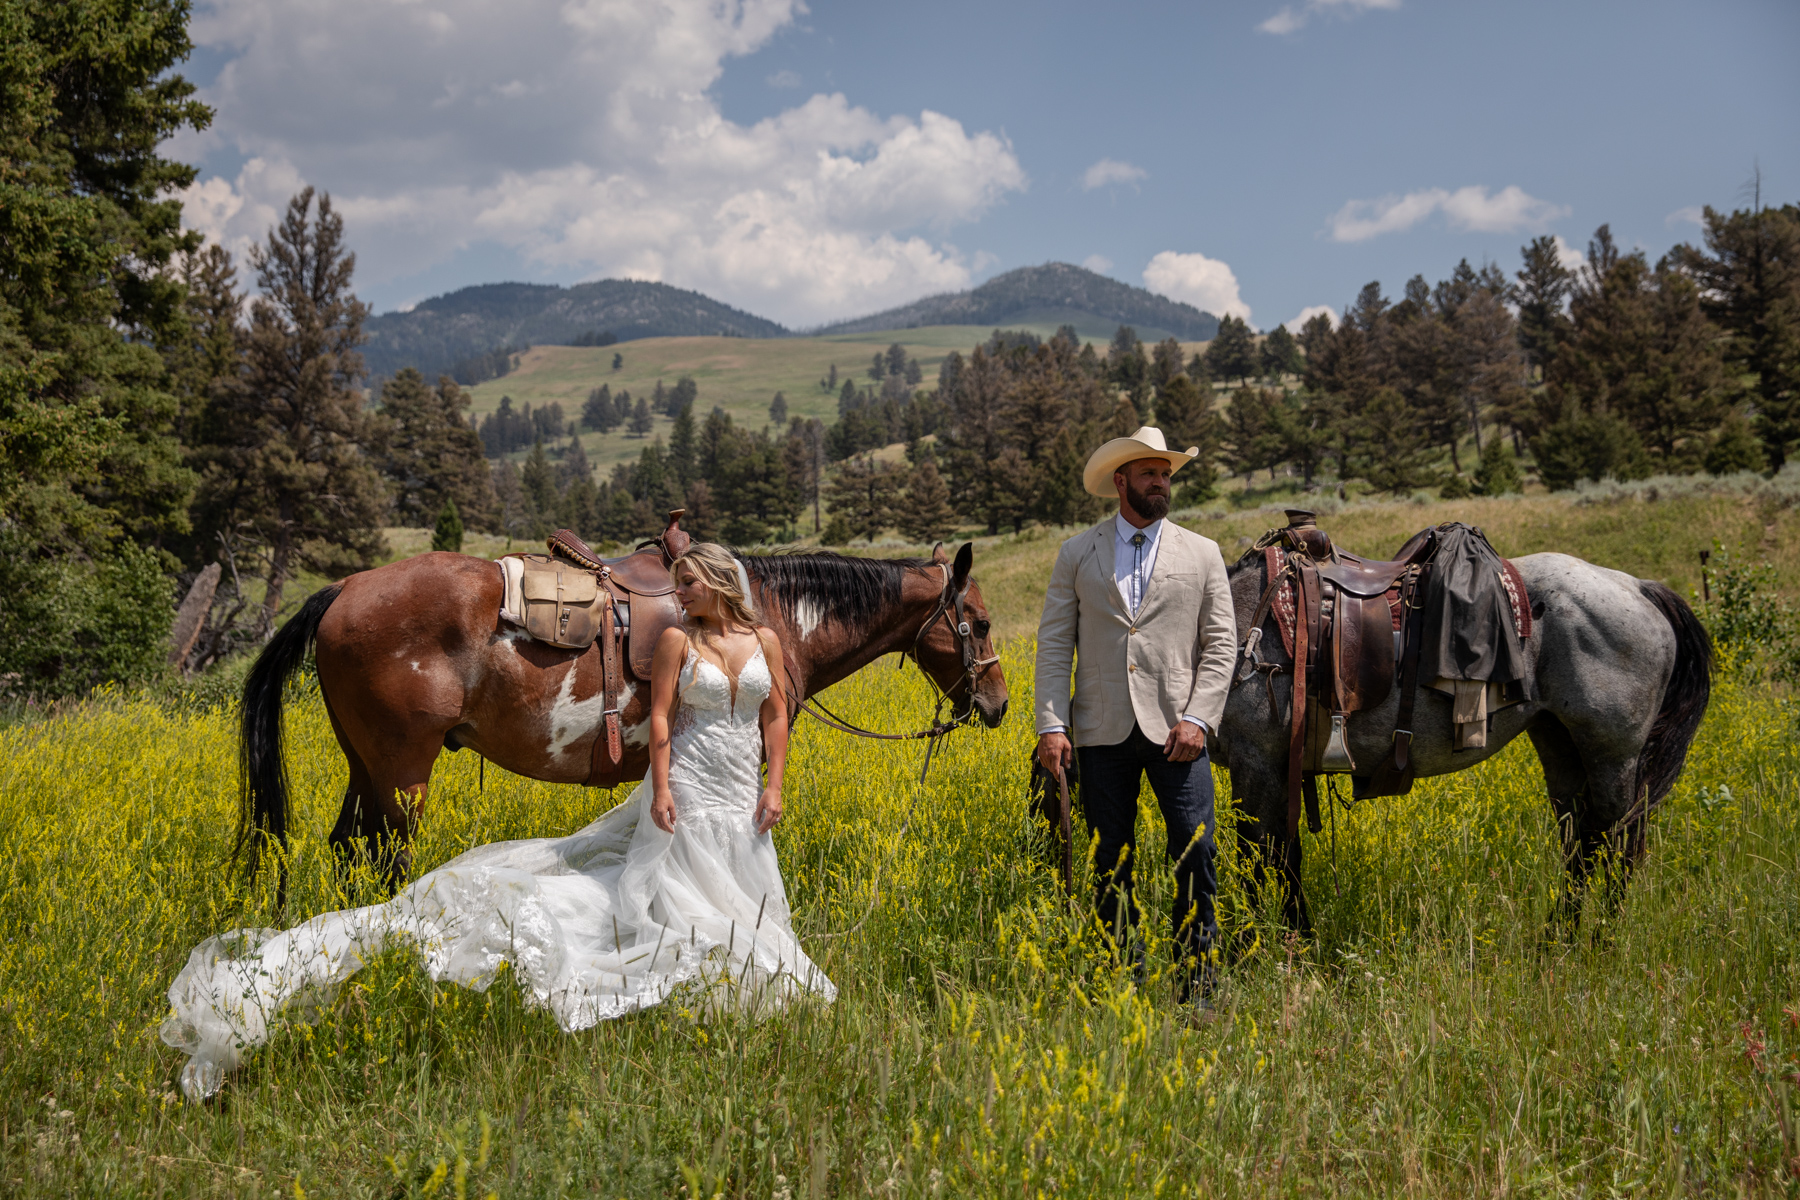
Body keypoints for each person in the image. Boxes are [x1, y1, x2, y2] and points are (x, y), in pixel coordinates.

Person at [162, 543, 833, 1101]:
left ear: (717, 584)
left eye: (690, 585)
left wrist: (773, 783)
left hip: (737, 786)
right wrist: (661, 785)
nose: (682, 594)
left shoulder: (765, 639)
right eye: (677, 584)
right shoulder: (679, 641)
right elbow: (659, 718)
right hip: (689, 778)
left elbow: (774, 714)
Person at [1034, 426, 1237, 1005]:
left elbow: (1221, 645)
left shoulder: (1202, 553)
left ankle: (1197, 985)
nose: (1161, 483)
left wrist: (1199, 719)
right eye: (1150, 473)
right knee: (1108, 859)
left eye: (1166, 474)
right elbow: (1054, 644)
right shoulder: (1078, 552)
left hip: (1180, 733)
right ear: (1120, 480)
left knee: (1196, 852)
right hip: (1101, 733)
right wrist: (1051, 724)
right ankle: (1120, 982)